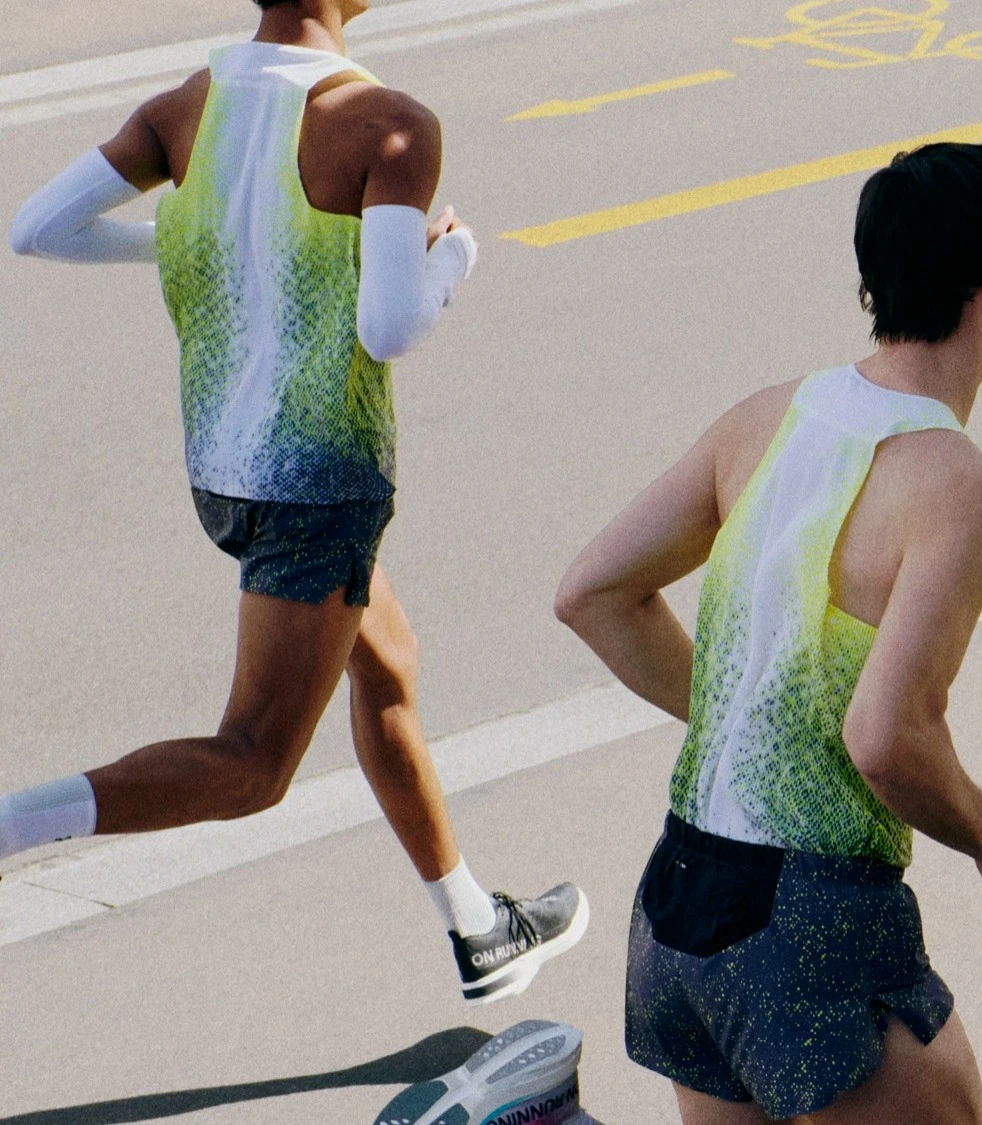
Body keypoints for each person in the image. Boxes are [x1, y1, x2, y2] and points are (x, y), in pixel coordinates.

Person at [4, 0, 585, 1005]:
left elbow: (39, 229)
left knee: (388, 666)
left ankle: (477, 928)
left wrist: (209, 236)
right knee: (254, 763)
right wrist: (454, 258)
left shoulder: (189, 105)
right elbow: (392, 326)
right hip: (318, 491)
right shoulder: (389, 125)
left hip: (225, 476)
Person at [555, 139, 982, 1124]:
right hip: (805, 929)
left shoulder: (764, 419)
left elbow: (593, 592)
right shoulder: (967, 490)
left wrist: (745, 717)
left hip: (677, 908)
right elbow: (886, 736)